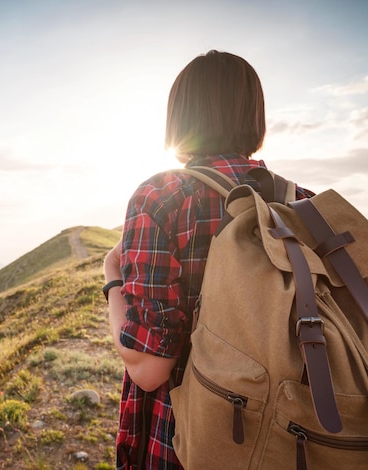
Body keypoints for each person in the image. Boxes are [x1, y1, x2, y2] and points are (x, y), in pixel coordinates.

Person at [103, 50, 314, 469]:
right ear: (255, 115)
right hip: (292, 441)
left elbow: (149, 370)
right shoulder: (304, 204)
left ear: (180, 119)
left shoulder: (162, 198)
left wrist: (112, 279)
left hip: (188, 444)